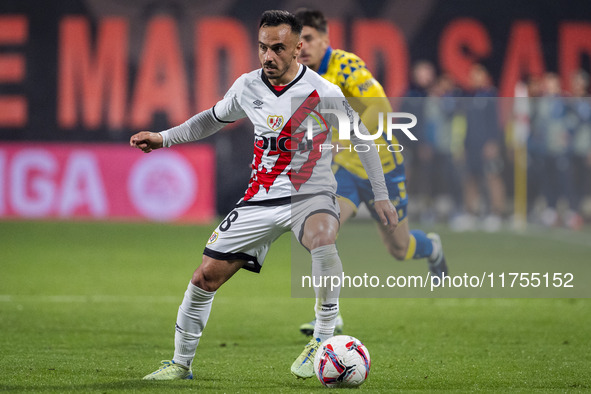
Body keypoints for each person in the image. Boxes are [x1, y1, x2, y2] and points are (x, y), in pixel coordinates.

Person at [130, 10, 398, 381]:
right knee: (204, 277)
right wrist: (163, 138)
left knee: (322, 236)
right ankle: (180, 364)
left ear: (297, 48)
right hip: (260, 198)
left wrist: (381, 195)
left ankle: (320, 343)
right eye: (262, 47)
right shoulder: (248, 86)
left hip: (311, 193)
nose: (267, 56)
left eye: (277, 48)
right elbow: (210, 119)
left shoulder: (323, 91)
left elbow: (363, 140)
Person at [294, 9, 447, 337]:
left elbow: (380, 110)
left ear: (325, 40)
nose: (302, 46)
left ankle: (432, 247)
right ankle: (329, 315)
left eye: (308, 38)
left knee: (400, 249)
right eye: (297, 40)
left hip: (383, 167)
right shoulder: (300, 76)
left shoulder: (346, 67)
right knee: (320, 233)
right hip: (344, 170)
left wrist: (338, 134)